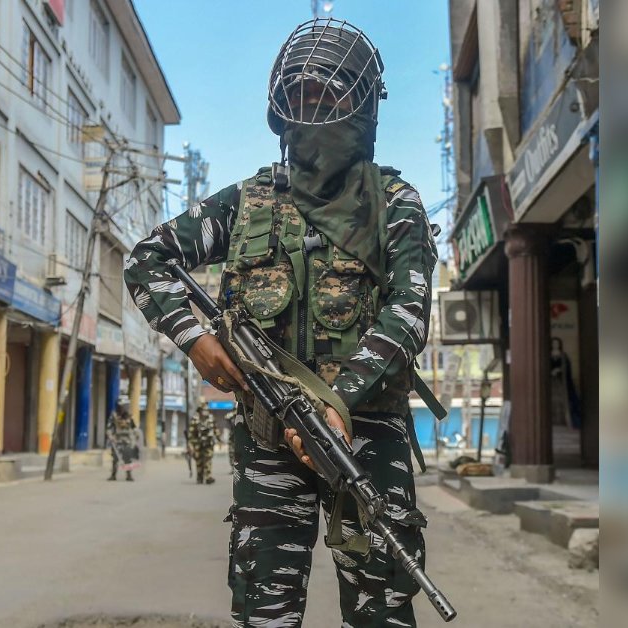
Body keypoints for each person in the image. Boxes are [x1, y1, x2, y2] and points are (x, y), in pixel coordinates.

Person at [124, 18, 438, 626]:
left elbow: (409, 313)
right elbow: (148, 259)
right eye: (301, 95)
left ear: (364, 109)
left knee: (384, 611)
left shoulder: (395, 203)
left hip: (366, 441)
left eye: (328, 94)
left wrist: (337, 404)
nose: (312, 107)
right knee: (263, 611)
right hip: (270, 439)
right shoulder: (246, 202)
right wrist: (194, 341)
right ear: (281, 109)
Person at [107, 397, 140, 482]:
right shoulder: (114, 415)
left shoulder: (129, 416)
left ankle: (129, 475)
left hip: (127, 440)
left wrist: (136, 435)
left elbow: (134, 427)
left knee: (127, 458)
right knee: (115, 458)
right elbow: (109, 427)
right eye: (123, 406)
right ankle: (113, 475)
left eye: (126, 406)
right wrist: (110, 435)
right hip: (117, 440)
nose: (124, 408)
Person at [186, 406, 218, 484]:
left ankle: (208, 477)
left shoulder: (211, 419)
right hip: (197, 443)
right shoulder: (195, 420)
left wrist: (219, 440)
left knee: (208, 459)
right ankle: (199, 477)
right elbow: (191, 433)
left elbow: (215, 429)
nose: (205, 412)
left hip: (208, 443)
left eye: (206, 410)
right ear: (200, 411)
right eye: (203, 410)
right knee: (199, 461)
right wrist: (190, 445)